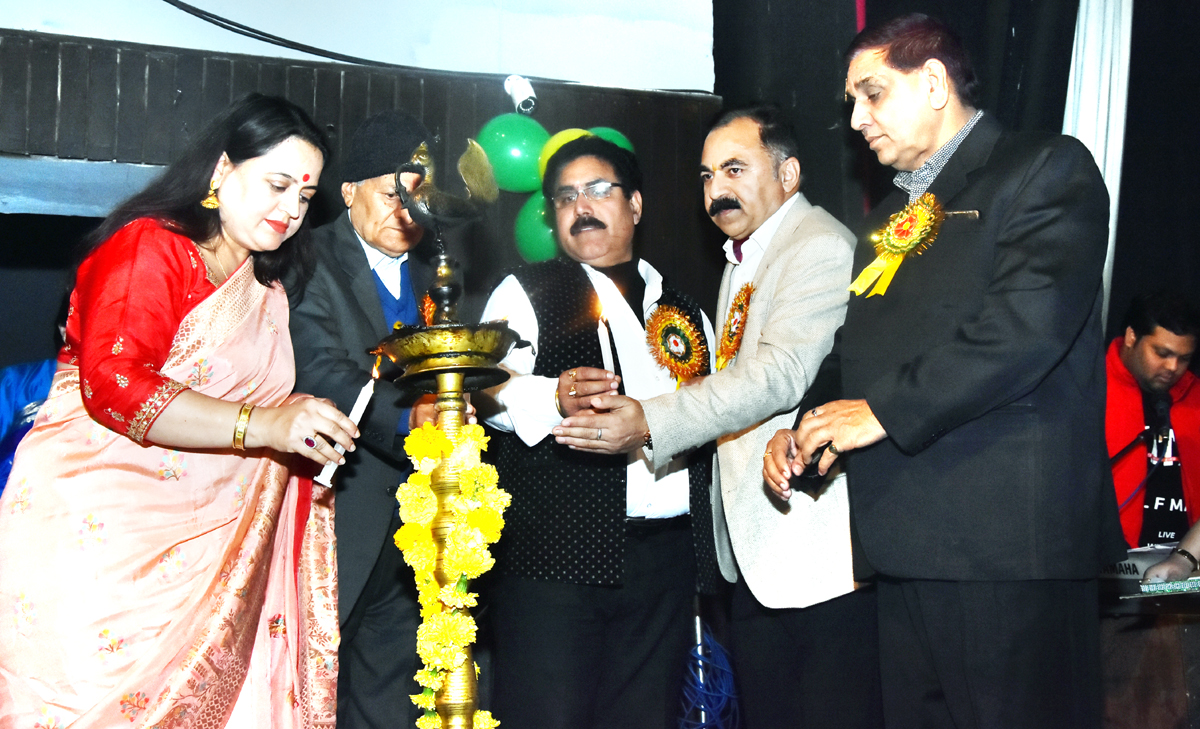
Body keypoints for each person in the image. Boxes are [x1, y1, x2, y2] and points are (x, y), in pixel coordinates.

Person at [763, 13, 1125, 729]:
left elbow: (1023, 331)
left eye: (872, 94)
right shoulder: (889, 219)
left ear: (934, 83)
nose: (858, 119)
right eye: (851, 103)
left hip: (1007, 550)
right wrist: (807, 426)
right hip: (905, 546)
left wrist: (879, 413)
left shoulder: (1045, 167)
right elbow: (857, 349)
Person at [0, 93, 357, 728]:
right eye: (277, 185)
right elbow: (113, 385)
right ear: (222, 172)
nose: (290, 209)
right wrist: (265, 425)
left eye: (303, 198)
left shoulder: (264, 286)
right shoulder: (152, 248)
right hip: (105, 546)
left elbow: (250, 403)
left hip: (212, 555)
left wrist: (296, 413)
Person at [551, 107, 878, 727]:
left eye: (734, 168)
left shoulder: (818, 246)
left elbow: (779, 375)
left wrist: (650, 421)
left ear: (790, 173)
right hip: (757, 554)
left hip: (814, 553)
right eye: (705, 176)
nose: (716, 190)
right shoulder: (743, 258)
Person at [478, 135, 715, 729]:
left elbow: (716, 413)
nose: (580, 206)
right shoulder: (525, 290)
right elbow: (480, 384)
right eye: (565, 197)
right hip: (553, 559)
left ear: (635, 205)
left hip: (666, 560)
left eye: (598, 190)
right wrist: (551, 395)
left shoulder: (684, 307)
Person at [287, 111, 444, 729]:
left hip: (419, 526)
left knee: (392, 701)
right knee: (311, 693)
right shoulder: (304, 256)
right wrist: (414, 423)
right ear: (348, 191)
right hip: (334, 516)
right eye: (392, 193)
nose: (408, 210)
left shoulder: (442, 272)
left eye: (419, 194)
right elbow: (318, 367)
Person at [1107, 291, 1200, 549]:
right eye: (1161, 353)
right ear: (1131, 337)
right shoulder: (1090, 391)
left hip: (1186, 566)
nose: (1172, 367)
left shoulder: (1196, 397)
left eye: (1184, 358)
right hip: (1110, 564)